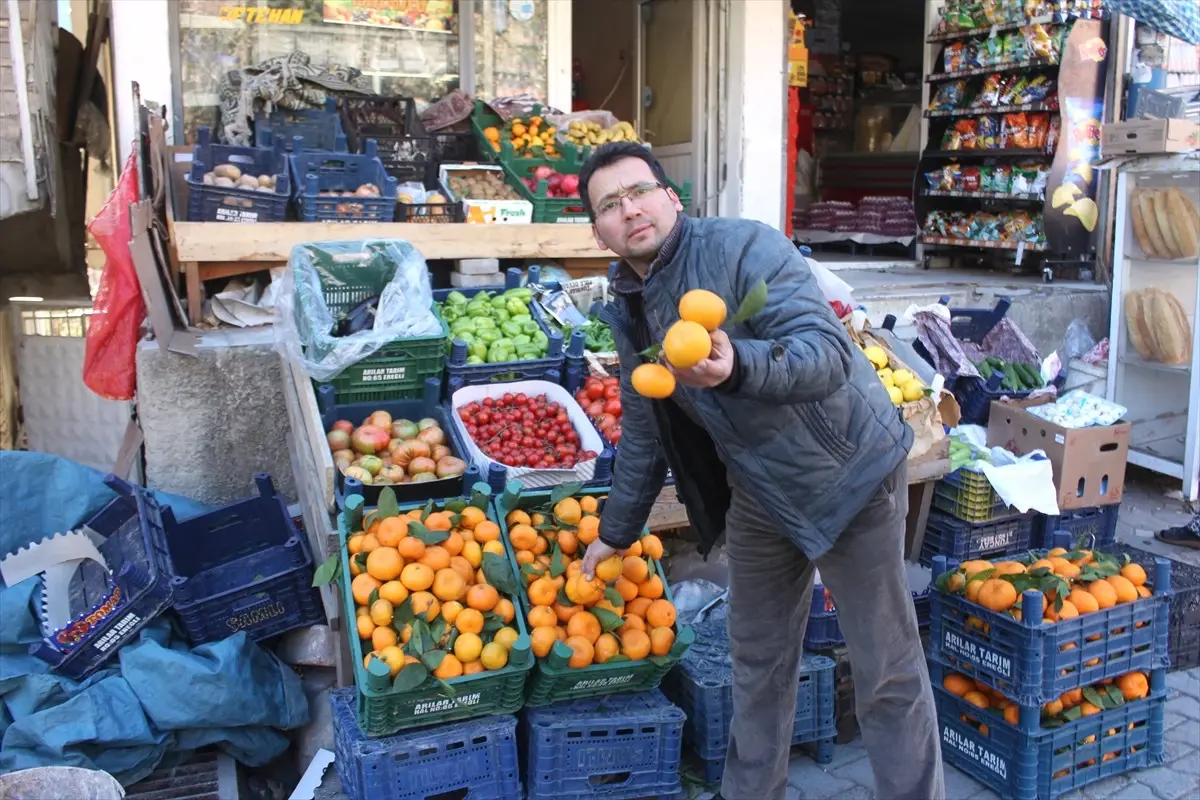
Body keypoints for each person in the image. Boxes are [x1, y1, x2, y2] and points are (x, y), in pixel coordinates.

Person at [575, 142, 945, 800]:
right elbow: (644, 428)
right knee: (758, 666)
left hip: (847, 474)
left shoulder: (744, 248)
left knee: (885, 671)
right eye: (610, 204)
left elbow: (826, 351)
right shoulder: (630, 309)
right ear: (596, 228)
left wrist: (738, 366)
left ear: (671, 196)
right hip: (758, 493)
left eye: (639, 191)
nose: (629, 210)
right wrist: (617, 531)